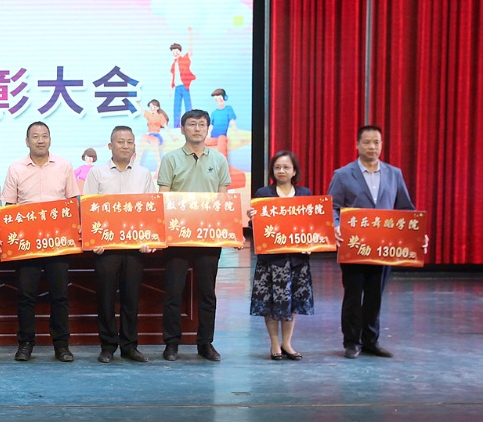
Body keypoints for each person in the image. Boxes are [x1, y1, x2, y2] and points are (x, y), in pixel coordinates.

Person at [327, 125, 420, 359]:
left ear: (381, 145)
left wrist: (417, 234)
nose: (372, 147)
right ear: (357, 145)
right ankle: (351, 341)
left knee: (375, 295)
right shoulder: (343, 174)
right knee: (353, 294)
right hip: (353, 246)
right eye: (367, 142)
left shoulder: (394, 174)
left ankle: (370, 341)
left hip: (383, 248)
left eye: (376, 142)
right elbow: (331, 207)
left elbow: (406, 209)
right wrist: (335, 225)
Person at [1, 121, 80, 362]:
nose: (40, 140)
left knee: (60, 296)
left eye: (45, 136)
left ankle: (61, 345)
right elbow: (9, 207)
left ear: (50, 140)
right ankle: (25, 344)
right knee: (26, 296)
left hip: (58, 242)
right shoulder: (16, 168)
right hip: (27, 244)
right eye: (35, 136)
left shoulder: (64, 166)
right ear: (27, 141)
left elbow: (73, 202)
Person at [157, 110, 232, 362]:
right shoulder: (171, 159)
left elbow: (223, 200)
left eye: (202, 124)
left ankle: (205, 343)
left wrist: (229, 232)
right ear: (182, 129)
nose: (197, 129)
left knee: (207, 293)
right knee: (173, 291)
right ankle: (171, 343)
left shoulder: (219, 160)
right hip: (177, 236)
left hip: (208, 237)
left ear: (208, 129)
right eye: (192, 124)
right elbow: (163, 196)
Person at [84, 126, 158, 363]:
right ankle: (107, 346)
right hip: (105, 249)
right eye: (120, 142)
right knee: (105, 297)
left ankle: (129, 345)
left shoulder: (144, 174)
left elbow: (151, 210)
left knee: (131, 298)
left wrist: (149, 240)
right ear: (110, 146)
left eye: (129, 142)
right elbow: (88, 208)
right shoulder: (97, 173)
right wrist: (93, 240)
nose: (125, 146)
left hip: (135, 248)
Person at [246, 151, 315, 361]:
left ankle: (287, 343)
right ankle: (274, 344)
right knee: (270, 302)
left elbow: (312, 225)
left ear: (294, 171)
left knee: (291, 301)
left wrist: (312, 243)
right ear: (272, 171)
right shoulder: (263, 193)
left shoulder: (304, 194)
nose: (281, 171)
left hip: (296, 259)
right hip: (271, 259)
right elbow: (256, 228)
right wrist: (252, 219)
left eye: (286, 167)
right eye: (277, 167)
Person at [169, 27, 197, 128]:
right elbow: (172, 77)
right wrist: (170, 89)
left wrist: (190, 34)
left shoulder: (184, 59)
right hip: (177, 87)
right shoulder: (173, 64)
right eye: (173, 51)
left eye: (176, 51)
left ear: (180, 51)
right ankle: (176, 126)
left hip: (185, 86)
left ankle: (190, 123)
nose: (175, 53)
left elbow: (190, 49)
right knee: (176, 107)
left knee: (188, 106)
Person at [207, 89, 238, 157]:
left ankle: (223, 162)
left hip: (222, 138)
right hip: (213, 138)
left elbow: (232, 123)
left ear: (225, 98)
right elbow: (211, 126)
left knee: (221, 140)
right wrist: (208, 136)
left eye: (220, 99)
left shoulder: (228, 109)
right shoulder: (214, 113)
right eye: (216, 100)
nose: (218, 101)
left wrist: (237, 136)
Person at [141, 99, 169, 169]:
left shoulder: (160, 116)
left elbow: (166, 127)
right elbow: (141, 109)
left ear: (157, 107)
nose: (152, 108)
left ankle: (159, 166)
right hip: (150, 135)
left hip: (157, 136)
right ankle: (137, 165)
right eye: (150, 107)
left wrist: (173, 137)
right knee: (143, 137)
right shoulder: (149, 115)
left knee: (153, 140)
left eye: (153, 107)